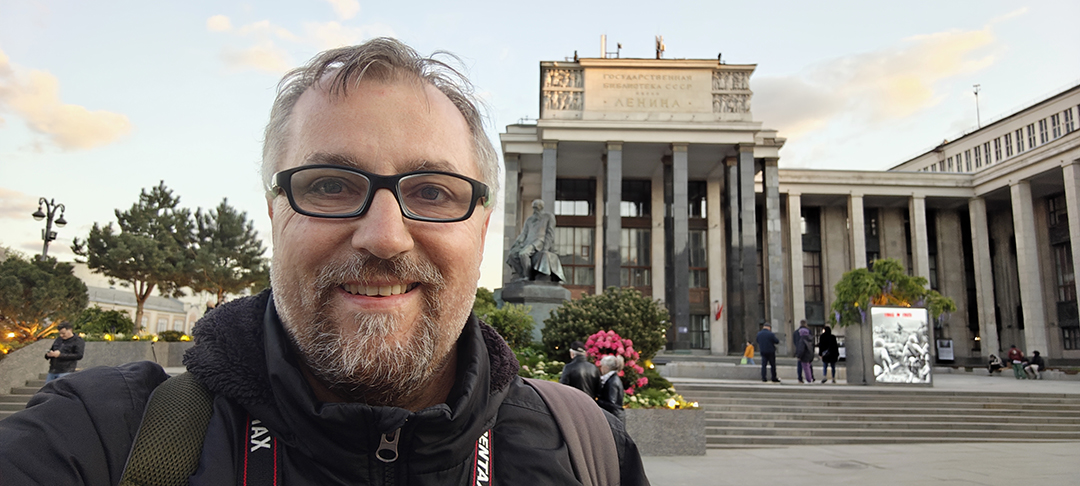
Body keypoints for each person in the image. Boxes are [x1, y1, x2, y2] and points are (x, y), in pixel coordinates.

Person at [0, 38, 648, 485]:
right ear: (275, 212)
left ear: (481, 227)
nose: (386, 237)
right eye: (331, 185)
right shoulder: (99, 439)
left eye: (432, 192)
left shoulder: (588, 453)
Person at [506, 199, 564, 281]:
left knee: (523, 254)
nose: (535, 210)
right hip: (527, 242)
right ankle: (521, 274)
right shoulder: (529, 220)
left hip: (539, 241)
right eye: (534, 208)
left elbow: (550, 233)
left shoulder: (548, 216)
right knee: (512, 254)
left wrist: (546, 247)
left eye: (537, 208)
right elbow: (524, 234)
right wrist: (517, 243)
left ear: (541, 208)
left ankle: (528, 276)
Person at [597, 355, 625, 423]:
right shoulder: (613, 379)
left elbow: (612, 404)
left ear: (606, 367)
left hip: (614, 418)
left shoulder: (612, 382)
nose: (601, 368)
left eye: (602, 366)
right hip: (616, 416)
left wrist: (597, 400)